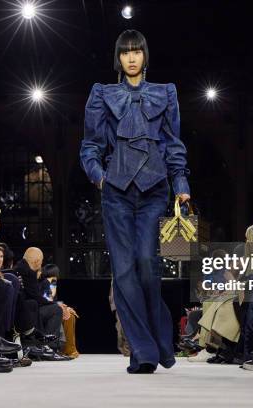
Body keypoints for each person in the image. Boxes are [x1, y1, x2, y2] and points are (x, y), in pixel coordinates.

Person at [80, 29, 191, 374]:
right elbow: (90, 145)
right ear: (118, 57)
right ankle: (144, 352)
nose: (131, 57)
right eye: (125, 52)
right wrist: (99, 177)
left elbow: (173, 143)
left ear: (145, 55)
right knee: (124, 272)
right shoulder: (102, 94)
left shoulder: (164, 94)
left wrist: (181, 183)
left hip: (155, 190)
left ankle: (160, 341)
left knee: (146, 263)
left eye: (137, 51)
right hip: (116, 193)